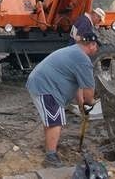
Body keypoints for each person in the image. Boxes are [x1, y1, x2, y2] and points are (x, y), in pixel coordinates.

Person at [26, 32, 101, 168]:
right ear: (92, 44)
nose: (96, 50)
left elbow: (78, 86)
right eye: (96, 47)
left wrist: (80, 106)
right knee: (56, 122)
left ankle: (50, 147)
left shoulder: (73, 51)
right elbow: (89, 91)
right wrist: (90, 103)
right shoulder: (83, 60)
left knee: (52, 120)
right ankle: (50, 157)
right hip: (46, 87)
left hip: (43, 84)